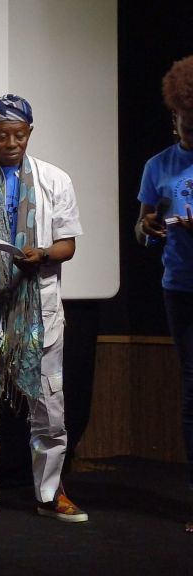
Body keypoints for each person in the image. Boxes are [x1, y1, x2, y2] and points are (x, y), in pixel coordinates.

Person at [0, 94, 86, 525]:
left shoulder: (54, 180)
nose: (10, 142)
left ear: (30, 133)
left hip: (37, 311)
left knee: (49, 410)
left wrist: (41, 255)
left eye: (19, 135)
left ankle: (50, 492)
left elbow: (69, 245)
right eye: (1, 134)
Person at [136, 55, 193, 533]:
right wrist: (149, 226)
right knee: (192, 393)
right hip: (180, 289)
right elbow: (142, 227)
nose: (185, 131)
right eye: (181, 121)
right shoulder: (159, 165)